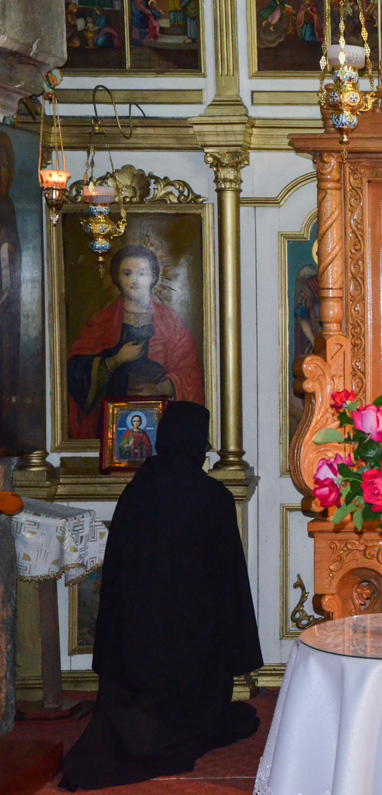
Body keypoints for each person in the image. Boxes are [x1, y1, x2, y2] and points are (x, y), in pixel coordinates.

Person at [60, 402, 262, 790]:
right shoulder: (212, 497)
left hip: (136, 652)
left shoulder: (136, 493)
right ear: (195, 441)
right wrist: (236, 648)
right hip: (193, 655)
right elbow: (228, 583)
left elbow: (116, 581)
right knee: (216, 715)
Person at [66, 245, 204, 439]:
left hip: (161, 416)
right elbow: (74, 371)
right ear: (117, 279)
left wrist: (159, 389)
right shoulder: (101, 321)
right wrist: (115, 361)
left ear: (153, 278)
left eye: (141, 273)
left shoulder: (171, 324)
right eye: (127, 274)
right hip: (110, 418)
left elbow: (190, 373)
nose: (134, 281)